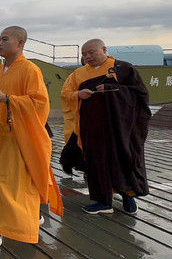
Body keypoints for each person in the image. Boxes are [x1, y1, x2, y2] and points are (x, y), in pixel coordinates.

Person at [0, 26, 63, 252]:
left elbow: (40, 104)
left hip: (19, 136)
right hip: (0, 134)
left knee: (6, 184)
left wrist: (7, 99)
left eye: (4, 39)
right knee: (11, 182)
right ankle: (32, 214)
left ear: (20, 43)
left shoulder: (30, 70)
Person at [60, 39, 150, 215]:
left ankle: (128, 196)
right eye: (84, 54)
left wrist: (111, 89)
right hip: (92, 128)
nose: (87, 57)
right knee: (97, 162)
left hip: (120, 127)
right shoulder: (78, 74)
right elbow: (66, 94)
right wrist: (78, 94)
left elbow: (139, 95)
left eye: (91, 52)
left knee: (123, 159)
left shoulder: (122, 68)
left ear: (104, 49)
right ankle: (103, 201)